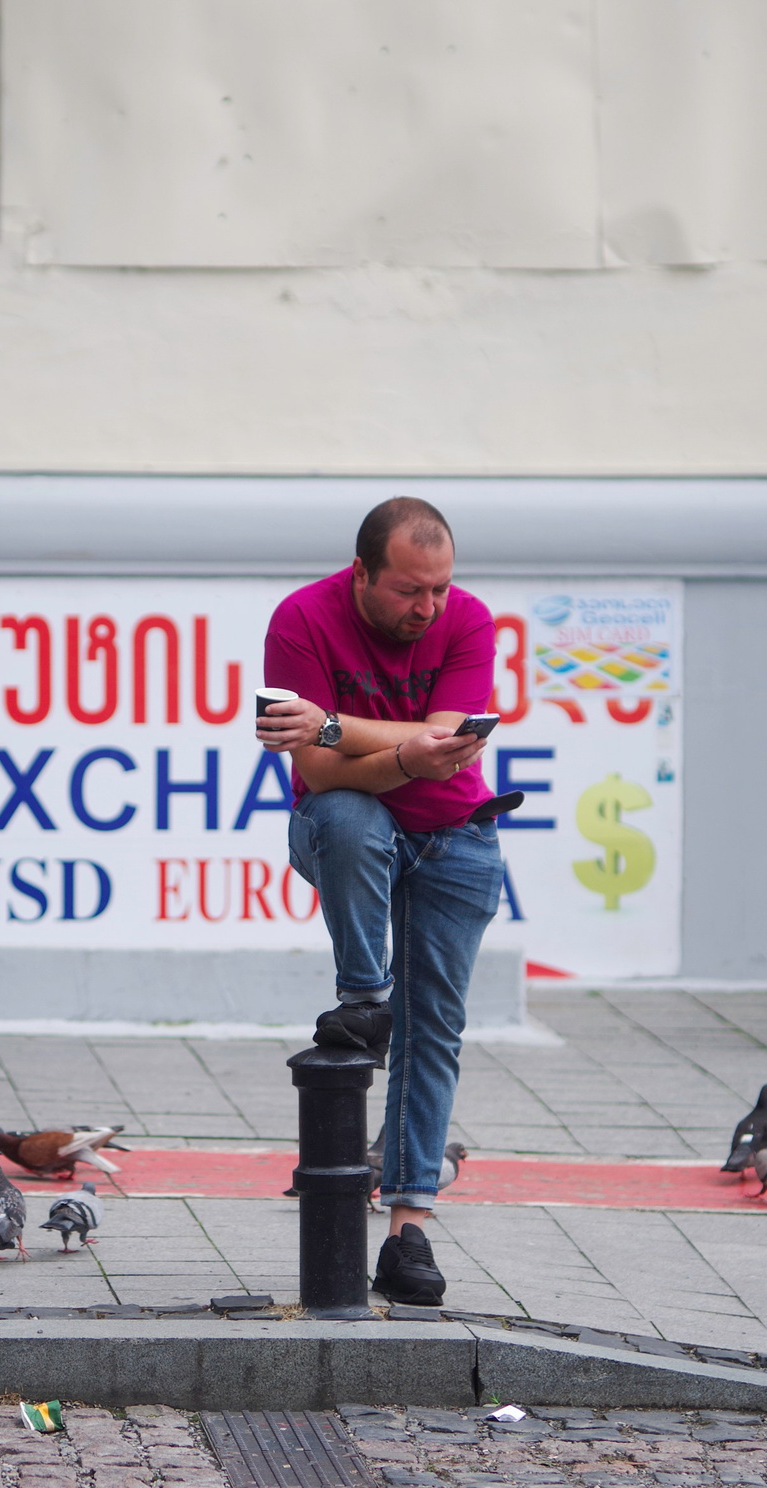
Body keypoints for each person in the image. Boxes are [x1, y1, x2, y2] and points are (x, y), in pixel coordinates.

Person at [258, 496, 507, 1306]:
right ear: (361, 572)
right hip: (343, 828)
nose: (425, 608)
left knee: (435, 1028)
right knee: (348, 816)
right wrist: (400, 751)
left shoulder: (468, 620)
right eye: (407, 590)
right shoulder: (301, 619)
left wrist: (333, 725)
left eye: (436, 588)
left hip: (457, 835)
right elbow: (325, 781)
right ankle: (364, 995)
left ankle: (407, 1232)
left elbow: (438, 749)